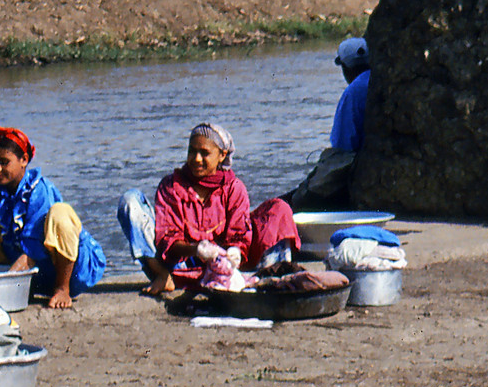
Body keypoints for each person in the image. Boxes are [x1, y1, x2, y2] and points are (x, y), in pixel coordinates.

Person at [117, 123, 300, 296]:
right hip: (180, 268)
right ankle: (162, 276)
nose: (196, 159)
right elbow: (168, 239)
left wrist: (234, 252)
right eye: (192, 151)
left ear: (222, 155)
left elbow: (239, 234)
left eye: (204, 153)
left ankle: (271, 279)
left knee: (279, 208)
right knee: (130, 200)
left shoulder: (234, 188)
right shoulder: (171, 186)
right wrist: (197, 249)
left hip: (225, 270)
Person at [0, 126, 105, 309]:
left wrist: (4, 288)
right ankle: (28, 285)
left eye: (4, 162)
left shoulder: (40, 190)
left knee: (60, 214)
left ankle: (62, 289)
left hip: (73, 270)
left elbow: (32, 249)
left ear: (24, 160)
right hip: (38, 268)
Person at [287, 37, 370, 209]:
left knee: (301, 198)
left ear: (346, 68)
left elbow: (343, 145)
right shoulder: (378, 80)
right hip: (369, 158)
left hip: (355, 163)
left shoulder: (352, 92)